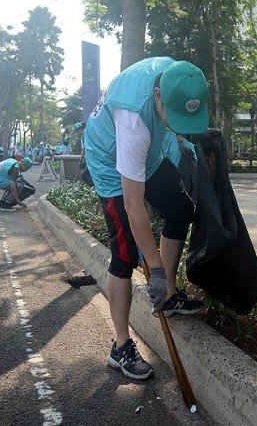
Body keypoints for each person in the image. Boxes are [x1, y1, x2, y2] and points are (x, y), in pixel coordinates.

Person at [84, 57, 206, 381]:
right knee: (124, 255)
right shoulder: (133, 120)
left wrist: (178, 139)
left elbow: (168, 125)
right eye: (175, 118)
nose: (178, 125)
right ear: (157, 97)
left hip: (147, 156)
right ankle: (120, 346)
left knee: (181, 210)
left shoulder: (181, 76)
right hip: (110, 162)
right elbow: (134, 206)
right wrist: (155, 269)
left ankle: (167, 298)